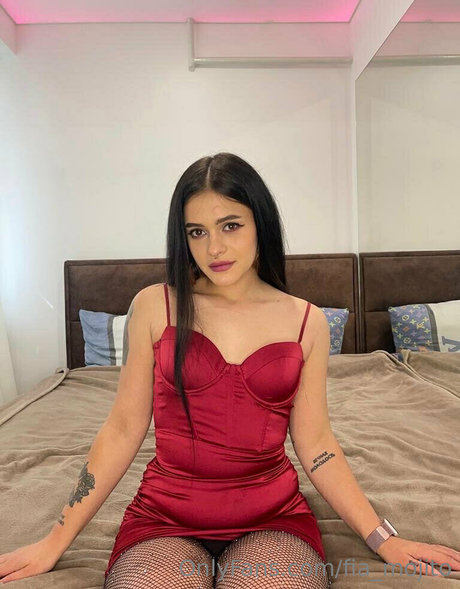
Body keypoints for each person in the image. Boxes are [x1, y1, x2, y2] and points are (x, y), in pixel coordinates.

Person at [1, 153, 459, 588]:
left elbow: (317, 443)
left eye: (230, 225)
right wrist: (55, 540)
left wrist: (384, 538)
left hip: (272, 518)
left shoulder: (306, 321)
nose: (214, 247)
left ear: (260, 223)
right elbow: (122, 429)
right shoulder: (156, 306)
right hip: (165, 518)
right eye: (196, 232)